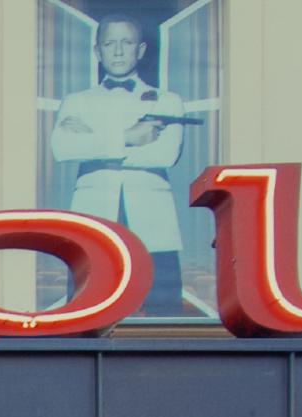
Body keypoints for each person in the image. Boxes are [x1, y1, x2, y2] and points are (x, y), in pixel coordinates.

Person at [50, 14, 187, 314]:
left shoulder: (168, 101)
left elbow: (163, 155)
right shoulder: (77, 101)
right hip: (93, 216)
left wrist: (94, 143)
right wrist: (129, 137)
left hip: (153, 223)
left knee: (164, 312)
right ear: (97, 51)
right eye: (110, 44)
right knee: (84, 307)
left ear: (141, 49)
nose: (118, 51)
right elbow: (62, 149)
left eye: (126, 43)